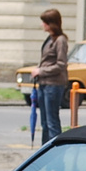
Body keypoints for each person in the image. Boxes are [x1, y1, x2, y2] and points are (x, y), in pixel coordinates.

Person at [31, 9, 70, 144]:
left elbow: (61, 65)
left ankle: (56, 148)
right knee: (45, 122)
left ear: (51, 24)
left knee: (52, 121)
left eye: (44, 22)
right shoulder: (50, 39)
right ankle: (45, 149)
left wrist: (41, 71)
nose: (42, 25)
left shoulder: (60, 40)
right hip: (44, 83)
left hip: (54, 84)